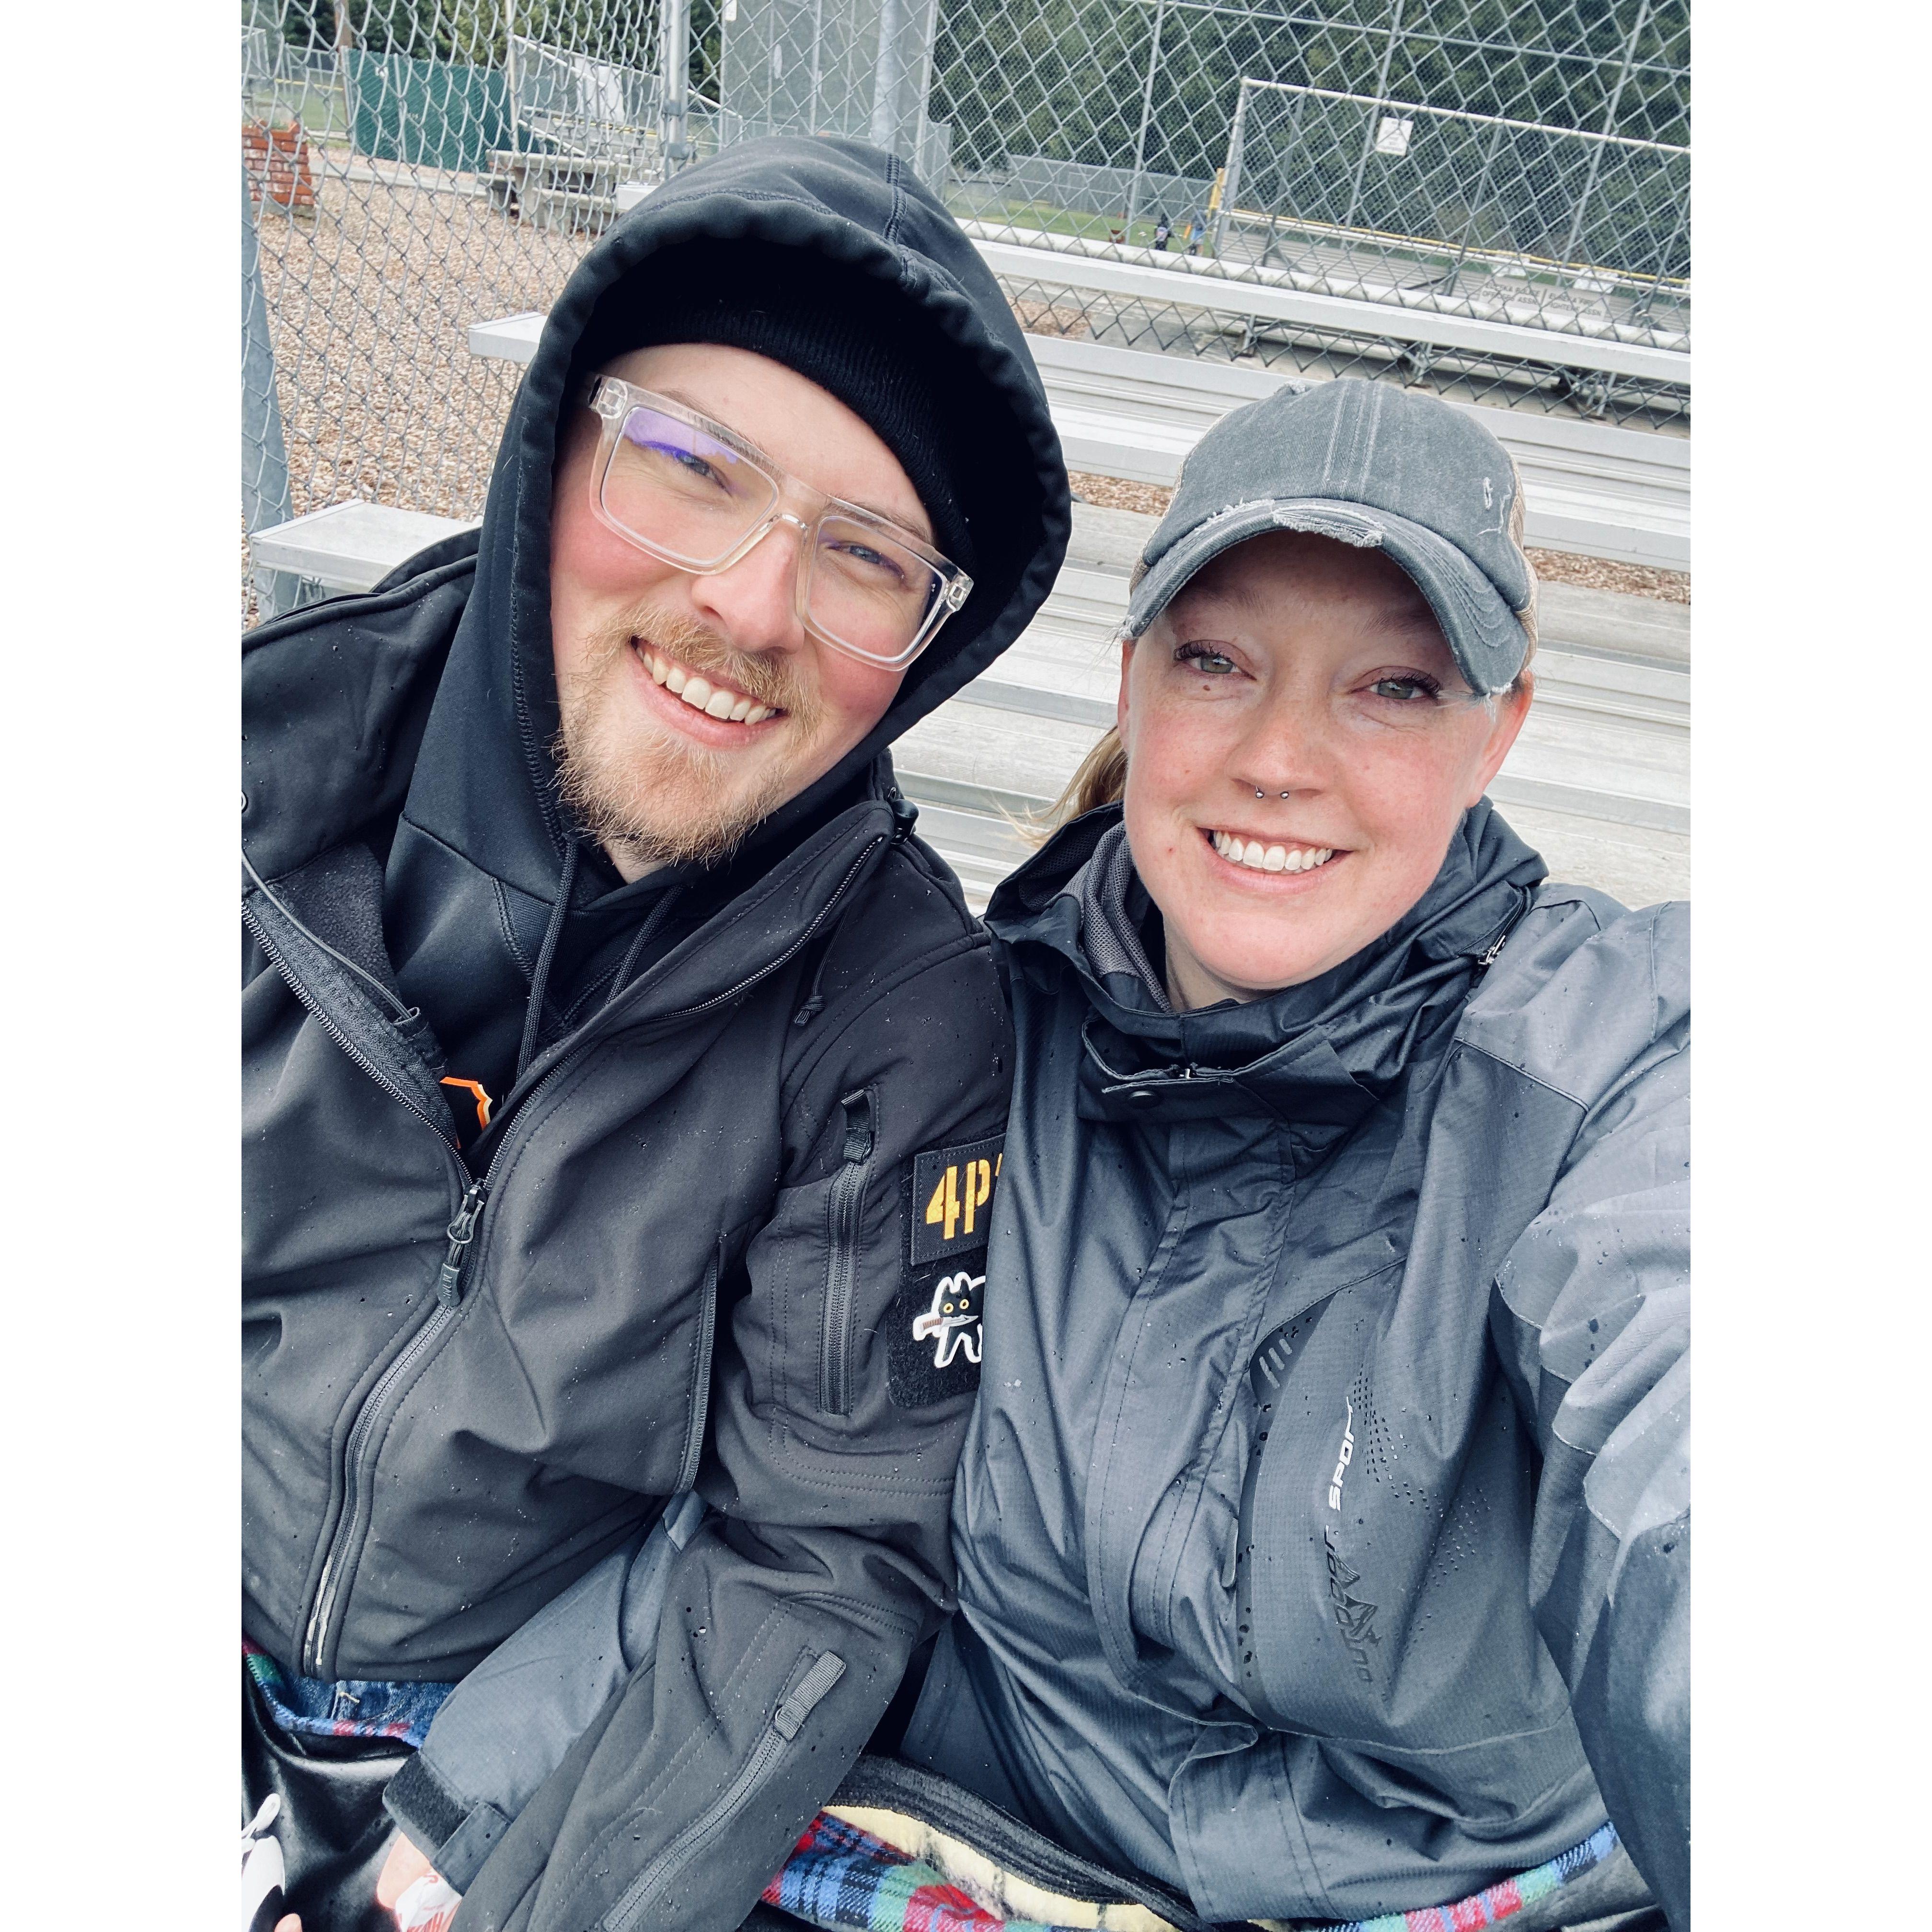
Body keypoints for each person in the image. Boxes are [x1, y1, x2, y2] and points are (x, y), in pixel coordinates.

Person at [242, 134, 1069, 1932]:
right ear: (555, 453)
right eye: (690, 466)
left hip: (524, 1742)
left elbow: (819, 1557)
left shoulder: (902, 1017)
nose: (751, 607)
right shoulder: (257, 783)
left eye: (865, 556)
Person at [891, 378, 1690, 1931]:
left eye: (1391, 689)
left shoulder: (1605, 1074)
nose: (1277, 756)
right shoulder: (972, 1028)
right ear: (1132, 685)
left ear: (1501, 732)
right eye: (1218, 661)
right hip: (978, 1841)